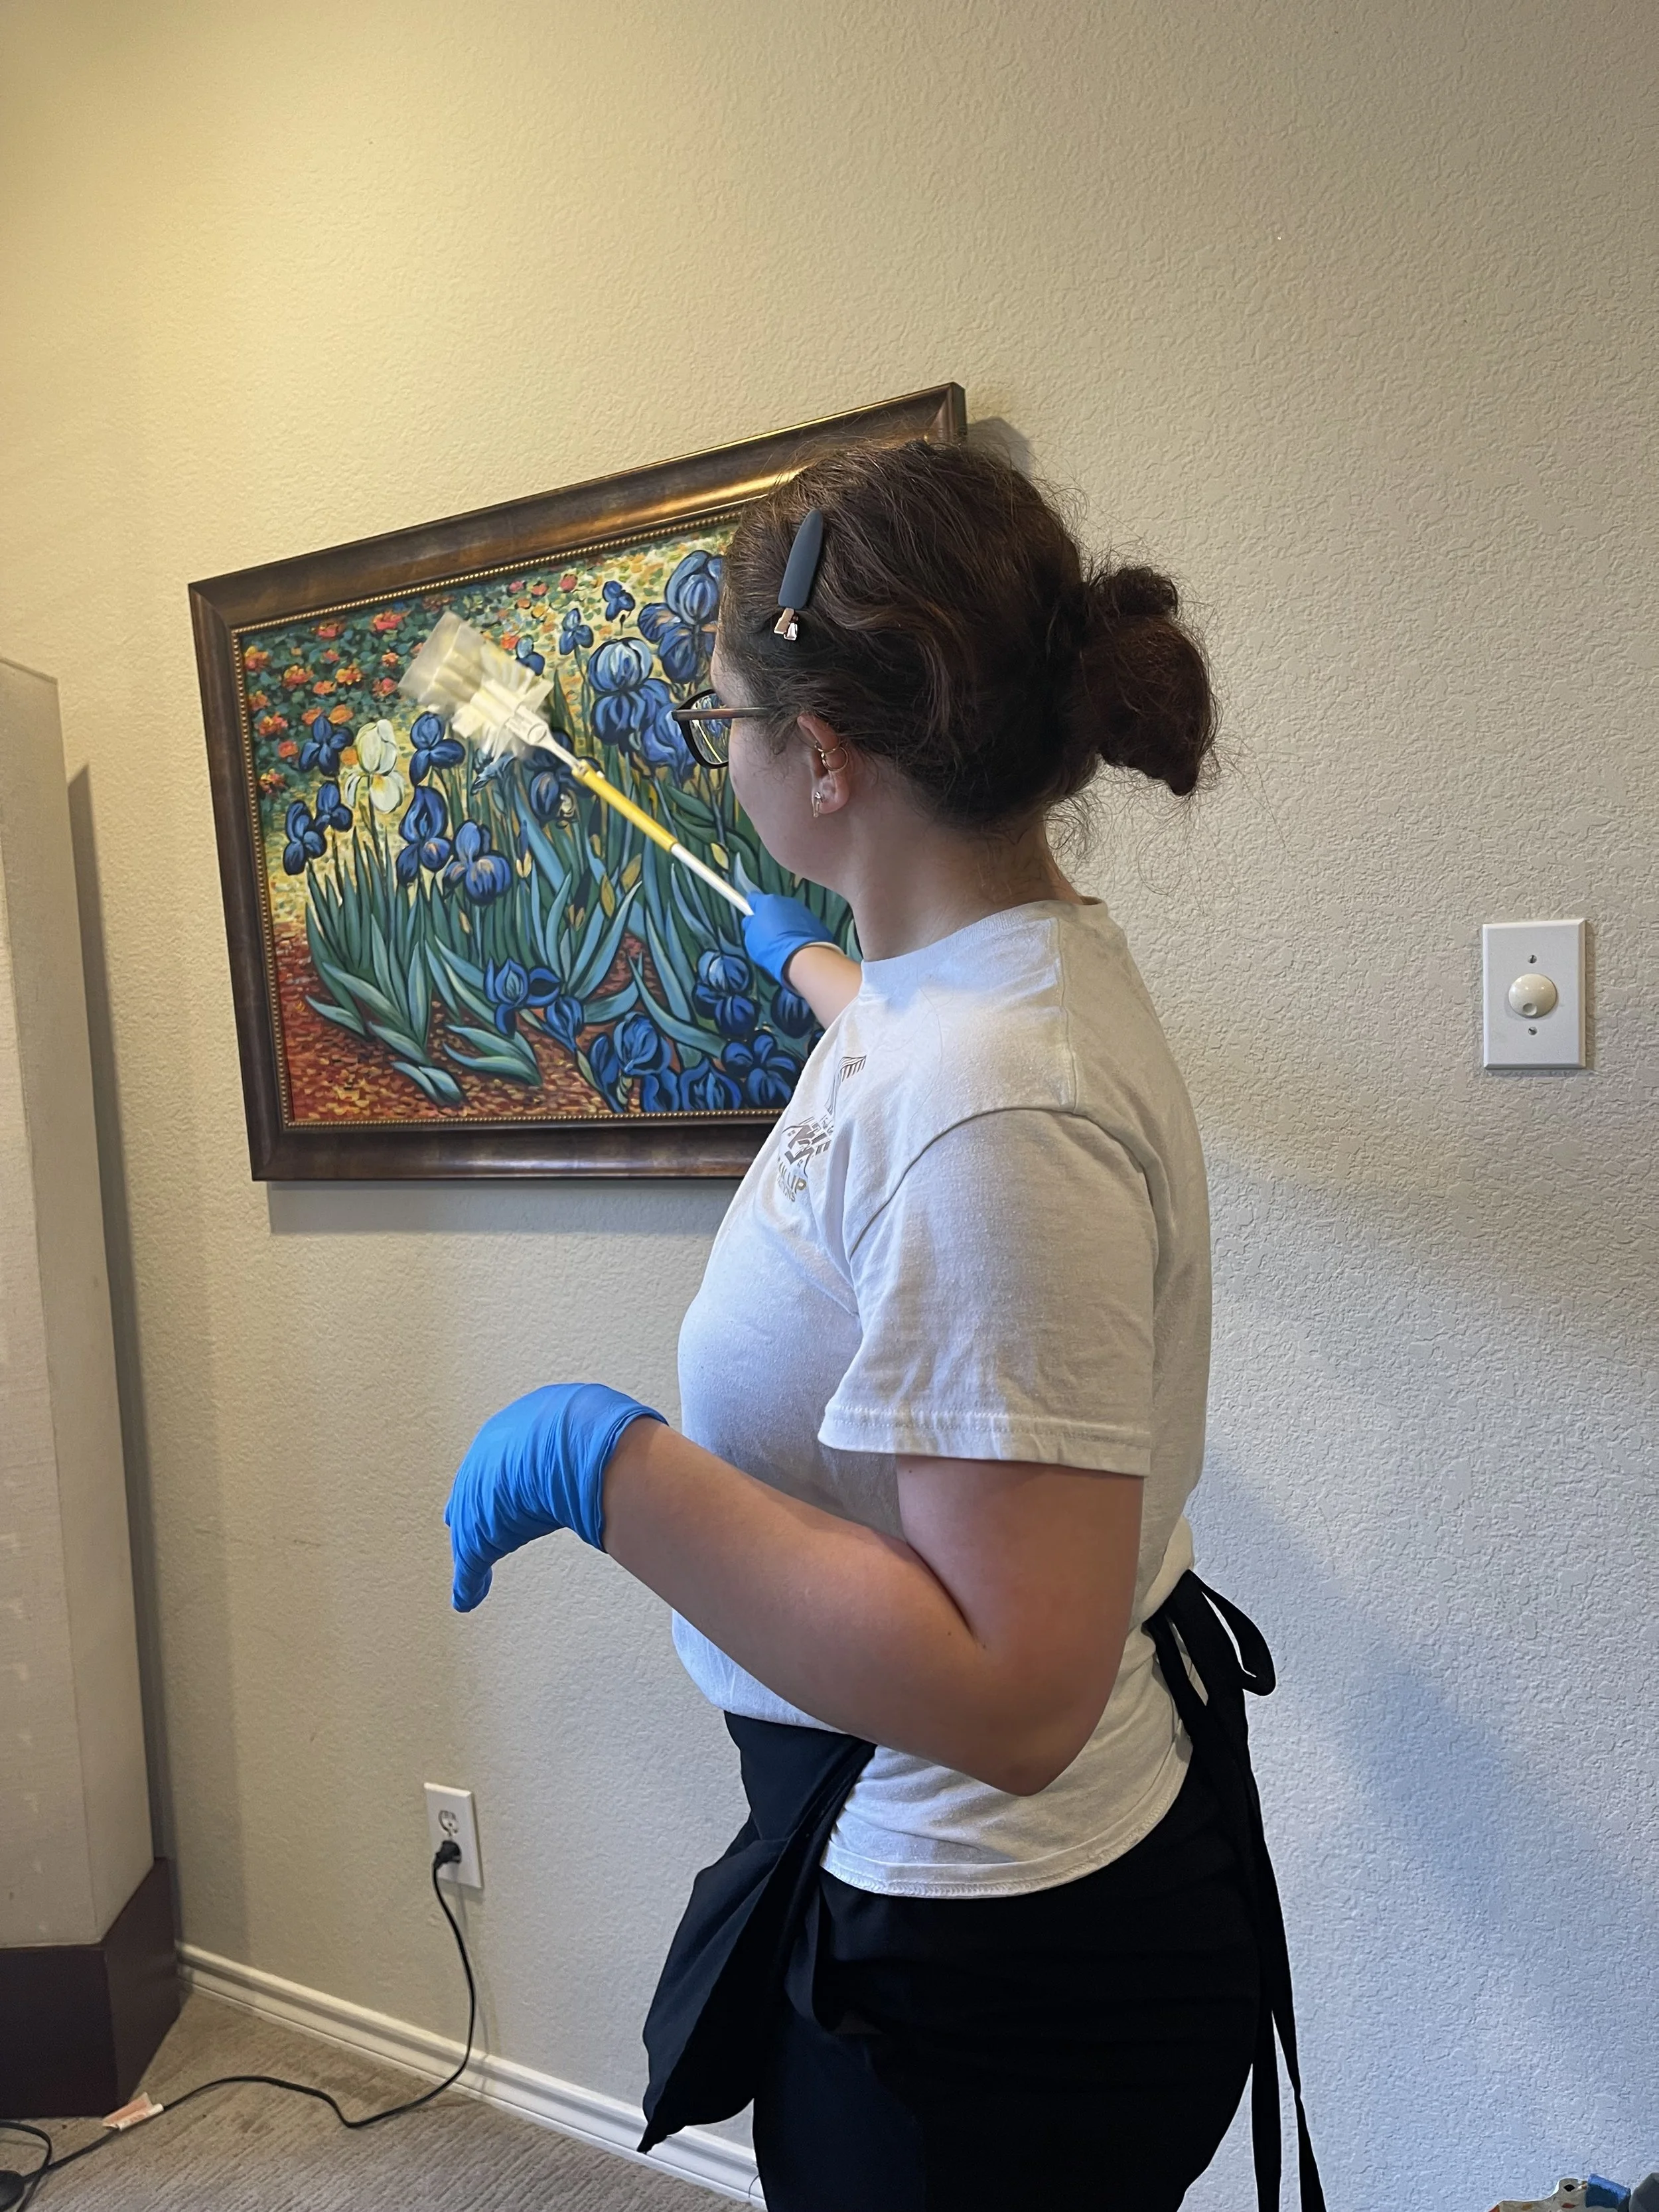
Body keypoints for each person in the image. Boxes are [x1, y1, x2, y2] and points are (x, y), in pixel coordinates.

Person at [444, 439, 1323, 2211]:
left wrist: (614, 1472)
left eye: (722, 726)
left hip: (991, 1980)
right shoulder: (993, 973)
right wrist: (819, 972)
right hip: (950, 1890)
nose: (722, 758)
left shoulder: (992, 1100)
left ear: (823, 754)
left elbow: (1015, 1691)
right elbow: (932, 1060)